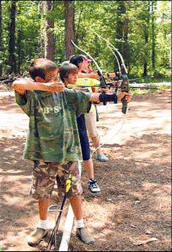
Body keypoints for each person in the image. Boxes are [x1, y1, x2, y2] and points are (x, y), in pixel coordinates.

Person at [13, 58, 132, 248]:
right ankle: (42, 226)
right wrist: (46, 88)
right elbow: (16, 84)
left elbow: (90, 98)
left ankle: (80, 225)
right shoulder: (32, 96)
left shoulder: (66, 94)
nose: (57, 80)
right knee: (43, 193)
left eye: (57, 76)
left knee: (74, 191)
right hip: (43, 154)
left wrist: (116, 97)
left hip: (68, 153)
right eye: (52, 77)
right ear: (38, 79)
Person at [59, 62, 100, 193]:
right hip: (64, 129)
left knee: (86, 153)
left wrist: (116, 96)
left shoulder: (79, 90)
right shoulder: (56, 91)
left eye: (76, 74)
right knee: (68, 159)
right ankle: (68, 186)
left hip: (79, 126)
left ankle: (92, 180)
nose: (76, 78)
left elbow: (95, 98)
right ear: (64, 77)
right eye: (72, 75)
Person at [70, 55, 109, 162]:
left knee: (92, 132)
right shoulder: (69, 76)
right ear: (79, 63)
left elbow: (98, 84)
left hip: (88, 109)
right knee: (73, 133)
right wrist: (92, 76)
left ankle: (99, 152)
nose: (87, 64)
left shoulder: (87, 77)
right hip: (72, 110)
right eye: (85, 62)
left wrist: (105, 86)